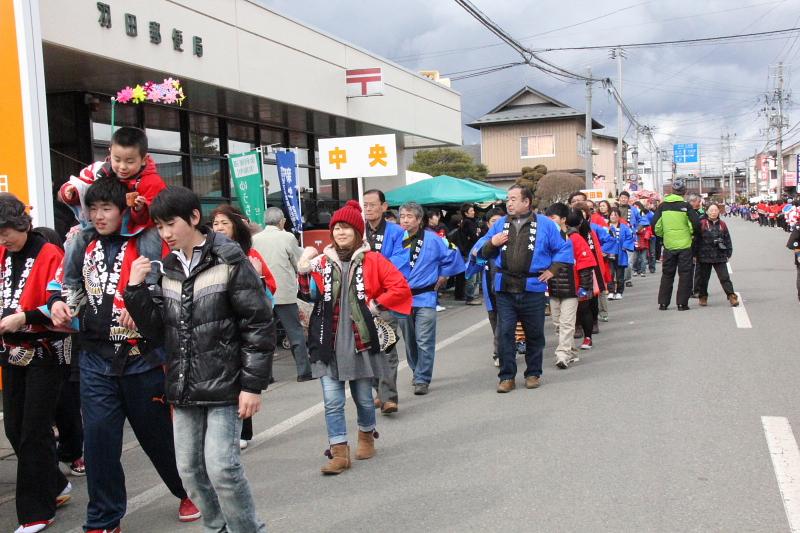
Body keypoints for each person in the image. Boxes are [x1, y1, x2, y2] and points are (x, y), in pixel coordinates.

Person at [48, 178, 199, 532]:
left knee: (157, 437)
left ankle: (187, 490)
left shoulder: (148, 238)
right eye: (93, 209)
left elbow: (167, 281)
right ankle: (103, 518)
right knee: (99, 442)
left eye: (107, 209)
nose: (99, 216)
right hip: (95, 358)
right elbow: (64, 283)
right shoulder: (80, 240)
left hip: (141, 358)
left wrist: (143, 301)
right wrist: (58, 304)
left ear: (123, 210)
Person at [124, 185, 273, 533]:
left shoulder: (229, 259)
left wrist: (252, 386)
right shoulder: (167, 268)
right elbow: (159, 330)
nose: (165, 233)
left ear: (193, 218)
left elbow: (258, 324)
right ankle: (217, 527)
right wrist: (134, 290)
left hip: (226, 385)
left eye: (169, 224)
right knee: (189, 471)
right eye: (159, 227)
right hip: (183, 385)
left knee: (222, 468)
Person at [296, 200, 411, 475]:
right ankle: (338, 451)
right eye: (337, 228)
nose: (341, 233)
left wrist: (375, 305)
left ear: (358, 232)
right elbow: (307, 295)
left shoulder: (374, 260)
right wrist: (302, 269)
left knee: (362, 397)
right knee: (333, 401)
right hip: (328, 340)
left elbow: (399, 286)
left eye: (347, 228)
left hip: (360, 340)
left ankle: (366, 435)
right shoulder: (322, 261)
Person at [0, 194, 71, 533]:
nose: (3, 240)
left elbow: (64, 306)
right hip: (11, 351)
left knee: (32, 430)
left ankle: (36, 511)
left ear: (22, 224)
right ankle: (55, 482)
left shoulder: (50, 254)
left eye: (6, 232)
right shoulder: (2, 254)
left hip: (46, 351)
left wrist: (23, 317)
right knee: (14, 426)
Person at [57, 127, 166, 310]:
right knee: (77, 238)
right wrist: (72, 192)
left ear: (144, 159)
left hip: (139, 226)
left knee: (151, 238)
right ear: (110, 152)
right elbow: (80, 184)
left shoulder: (152, 182)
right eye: (117, 160)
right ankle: (71, 286)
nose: (122, 167)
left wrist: (140, 209)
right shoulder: (102, 170)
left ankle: (151, 286)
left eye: (129, 161)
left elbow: (156, 215)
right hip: (111, 225)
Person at [479, 185, 573, 393]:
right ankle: (506, 376)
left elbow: (564, 248)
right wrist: (492, 243)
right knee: (505, 333)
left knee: (534, 333)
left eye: (513, 199)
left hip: (533, 286)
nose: (509, 203)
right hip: (505, 287)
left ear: (526, 202)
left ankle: (533, 373)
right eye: (507, 199)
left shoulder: (546, 225)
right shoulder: (500, 225)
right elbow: (481, 250)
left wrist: (553, 270)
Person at [211, 204, 278, 450]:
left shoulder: (249, 255)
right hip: (216, 327)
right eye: (215, 223)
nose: (218, 228)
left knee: (241, 379)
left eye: (224, 223)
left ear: (236, 227)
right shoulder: (205, 253)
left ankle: (243, 430)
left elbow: (271, 288)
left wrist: (259, 279)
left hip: (242, 327)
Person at [396, 201, 465, 395]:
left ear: (419, 219)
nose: (405, 220)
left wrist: (444, 274)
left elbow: (452, 253)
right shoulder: (395, 239)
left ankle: (422, 378)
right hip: (401, 298)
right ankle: (416, 370)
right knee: (409, 341)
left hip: (425, 295)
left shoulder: (434, 239)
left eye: (410, 216)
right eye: (402, 216)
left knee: (424, 340)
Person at [363, 189, 410, 415]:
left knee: (387, 347)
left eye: (373, 204)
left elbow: (403, 258)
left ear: (384, 206)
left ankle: (389, 397)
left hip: (386, 300)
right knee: (368, 349)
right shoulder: (357, 232)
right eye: (365, 205)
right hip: (362, 301)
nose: (369, 209)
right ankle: (379, 392)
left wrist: (376, 267)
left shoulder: (397, 232)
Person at [252, 207, 312, 383]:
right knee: (294, 332)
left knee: (265, 335)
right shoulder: (287, 237)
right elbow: (299, 262)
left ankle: (267, 376)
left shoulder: (255, 239)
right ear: (282, 222)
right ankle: (304, 372)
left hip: (263, 293)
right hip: (284, 292)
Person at [544, 204, 584, 365]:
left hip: (571, 289)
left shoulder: (574, 238)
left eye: (553, 218)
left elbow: (585, 263)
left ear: (563, 219)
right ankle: (572, 351)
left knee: (567, 323)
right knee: (558, 324)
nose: (550, 221)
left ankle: (562, 354)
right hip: (553, 288)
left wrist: (585, 286)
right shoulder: (545, 239)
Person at [653, 179, 698, 311]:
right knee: (685, 274)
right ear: (684, 192)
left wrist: (663, 236)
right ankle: (682, 304)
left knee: (667, 274)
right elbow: (695, 224)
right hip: (685, 245)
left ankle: (663, 303)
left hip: (669, 245)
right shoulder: (686, 206)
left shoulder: (662, 206)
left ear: (671, 191)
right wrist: (691, 234)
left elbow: (655, 225)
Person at [466, 209, 503, 367]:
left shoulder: (513, 240)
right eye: (494, 221)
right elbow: (473, 262)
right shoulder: (483, 242)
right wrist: (478, 260)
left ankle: (502, 351)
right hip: (491, 290)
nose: (498, 224)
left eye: (501, 221)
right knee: (495, 322)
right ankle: (500, 351)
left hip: (509, 289)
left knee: (507, 321)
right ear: (488, 224)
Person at [696, 204, 738, 307]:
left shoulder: (722, 224)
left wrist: (729, 252)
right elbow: (696, 240)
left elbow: (727, 238)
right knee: (703, 278)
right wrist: (695, 254)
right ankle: (703, 296)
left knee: (724, 277)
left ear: (718, 212)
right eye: (711, 210)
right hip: (704, 255)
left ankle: (731, 296)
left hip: (719, 255)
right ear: (707, 212)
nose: (714, 212)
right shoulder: (702, 223)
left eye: (715, 210)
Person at [603, 208, 634, 300]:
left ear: (619, 216)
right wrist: (603, 250)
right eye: (611, 215)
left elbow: (630, 237)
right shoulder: (605, 227)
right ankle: (611, 291)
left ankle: (619, 292)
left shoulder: (624, 227)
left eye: (615, 215)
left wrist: (625, 245)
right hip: (609, 254)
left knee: (620, 275)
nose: (613, 216)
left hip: (620, 254)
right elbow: (601, 240)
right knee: (610, 274)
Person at [457, 203, 481, 305]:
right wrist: (477, 233)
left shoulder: (466, 222)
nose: (473, 212)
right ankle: (470, 298)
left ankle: (471, 296)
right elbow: (474, 238)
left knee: (473, 274)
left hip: (468, 251)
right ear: (466, 213)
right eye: (471, 211)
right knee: (472, 275)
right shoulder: (468, 222)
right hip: (470, 252)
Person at [632, 201, 652, 277]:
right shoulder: (633, 221)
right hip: (636, 242)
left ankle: (643, 271)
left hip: (644, 242)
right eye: (634, 208)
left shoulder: (645, 219)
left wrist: (646, 235)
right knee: (635, 258)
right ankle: (635, 270)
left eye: (637, 207)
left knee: (643, 259)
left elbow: (649, 229)